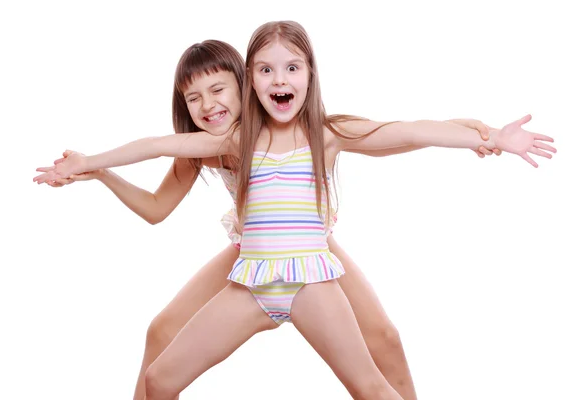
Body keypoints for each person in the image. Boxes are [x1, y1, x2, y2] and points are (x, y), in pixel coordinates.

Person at [34, 21, 555, 400]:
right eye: (194, 99)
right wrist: (94, 168)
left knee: (384, 341)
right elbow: (155, 176)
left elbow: (401, 132)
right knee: (159, 340)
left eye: (219, 89)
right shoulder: (213, 142)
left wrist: (482, 135)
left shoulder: (314, 131)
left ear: (248, 85)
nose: (208, 105)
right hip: (252, 257)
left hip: (311, 251)